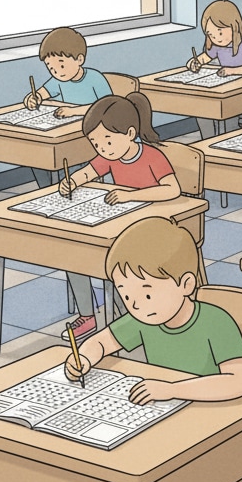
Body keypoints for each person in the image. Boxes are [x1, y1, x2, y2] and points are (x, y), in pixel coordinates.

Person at [65, 217, 242, 482]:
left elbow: (239, 383)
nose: (137, 306)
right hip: (163, 419)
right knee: (108, 468)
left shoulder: (215, 322)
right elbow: (104, 339)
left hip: (211, 428)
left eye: (146, 294)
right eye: (127, 297)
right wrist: (87, 358)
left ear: (185, 285)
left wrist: (173, 389)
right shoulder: (142, 319)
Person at [59, 93, 180, 341]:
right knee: (76, 257)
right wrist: (73, 181)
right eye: (96, 144)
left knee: (123, 264)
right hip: (120, 223)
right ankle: (88, 316)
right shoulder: (109, 157)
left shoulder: (151, 156)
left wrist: (131, 197)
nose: (102, 148)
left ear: (130, 133)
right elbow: (90, 171)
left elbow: (172, 189)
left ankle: (133, 316)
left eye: (107, 141)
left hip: (151, 227)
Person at [23, 26, 113, 187]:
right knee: (37, 157)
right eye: (51, 68)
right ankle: (47, 190)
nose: (57, 72)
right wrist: (33, 98)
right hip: (66, 132)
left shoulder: (94, 78)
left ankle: (73, 186)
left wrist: (73, 111)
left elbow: (106, 106)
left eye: (61, 66)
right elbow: (42, 93)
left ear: (79, 59)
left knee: (72, 161)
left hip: (93, 136)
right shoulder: (58, 81)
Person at [187, 0, 242, 139]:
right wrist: (195, 62)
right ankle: (208, 142)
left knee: (228, 112)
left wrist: (232, 71)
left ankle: (227, 142)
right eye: (211, 35)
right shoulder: (218, 47)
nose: (216, 38)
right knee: (203, 109)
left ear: (234, 26)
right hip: (226, 92)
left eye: (220, 32)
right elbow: (205, 57)